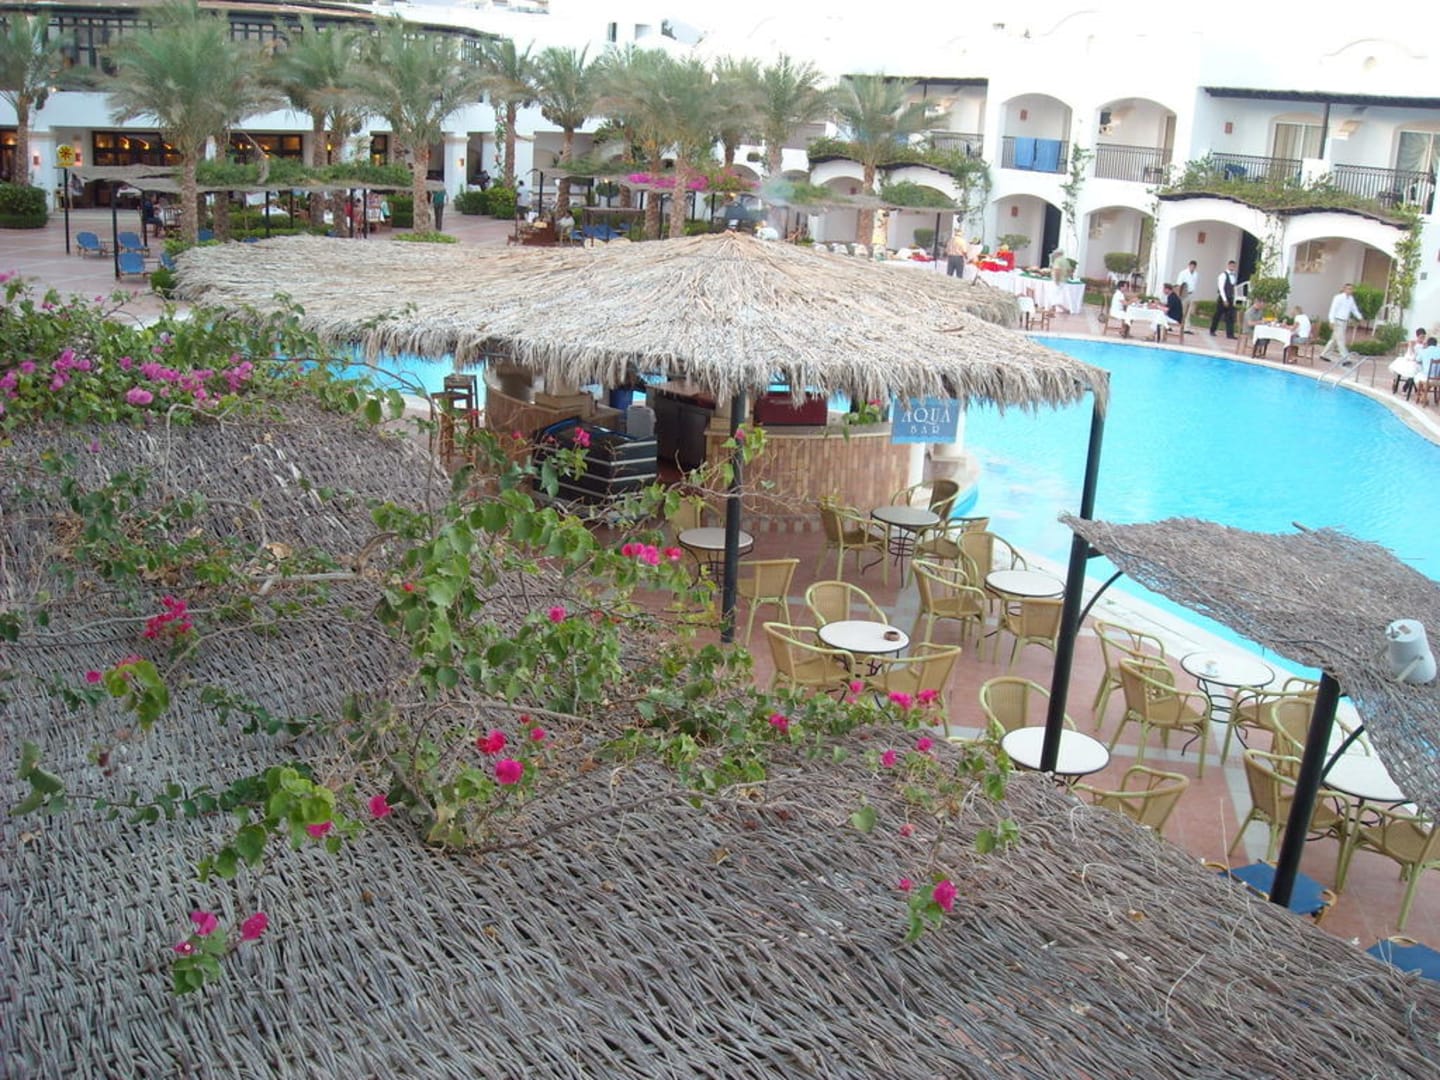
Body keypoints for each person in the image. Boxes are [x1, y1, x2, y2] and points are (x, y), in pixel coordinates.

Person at [1318, 283, 1363, 364]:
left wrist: (1360, 317)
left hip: (1344, 322)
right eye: (1348, 289)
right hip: (1337, 321)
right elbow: (1333, 309)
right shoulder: (1338, 297)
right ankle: (1346, 358)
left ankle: (1324, 354)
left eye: (1351, 289)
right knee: (1341, 340)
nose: (1350, 290)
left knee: (1334, 340)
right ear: (1344, 289)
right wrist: (1331, 321)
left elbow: (1354, 309)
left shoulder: (1351, 299)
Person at [1209, 260, 1238, 339]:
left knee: (1230, 316)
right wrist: (1224, 299)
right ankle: (1212, 330)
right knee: (1218, 314)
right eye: (1231, 265)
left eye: (1234, 266)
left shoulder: (1233, 276)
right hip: (1223, 298)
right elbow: (1221, 288)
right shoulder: (1223, 275)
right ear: (1228, 266)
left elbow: (1232, 287)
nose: (1232, 267)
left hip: (1230, 297)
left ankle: (1230, 334)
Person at [1174, 259, 1199, 336]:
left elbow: (1194, 284)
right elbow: (1179, 284)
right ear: (1189, 265)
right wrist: (1178, 295)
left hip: (1191, 293)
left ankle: (1186, 328)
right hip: (1184, 294)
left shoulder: (1196, 274)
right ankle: (1179, 325)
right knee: (1183, 311)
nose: (1192, 267)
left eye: (1194, 266)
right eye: (1191, 266)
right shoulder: (1183, 273)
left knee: (1188, 312)